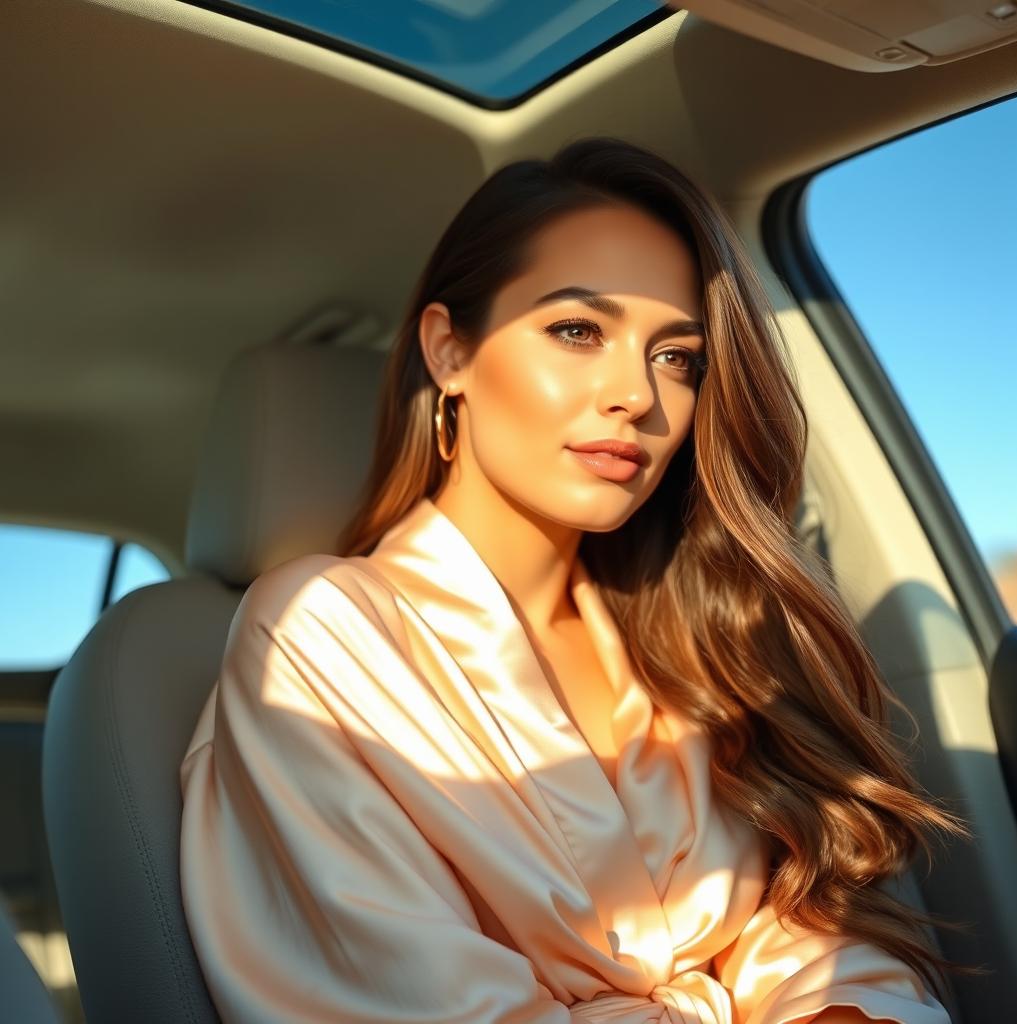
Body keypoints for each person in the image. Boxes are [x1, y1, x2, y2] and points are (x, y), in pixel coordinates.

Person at [179, 136, 968, 1023]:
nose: (639, 395)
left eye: (679, 358)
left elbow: (798, 930)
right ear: (449, 353)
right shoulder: (317, 635)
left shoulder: (685, 636)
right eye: (577, 330)